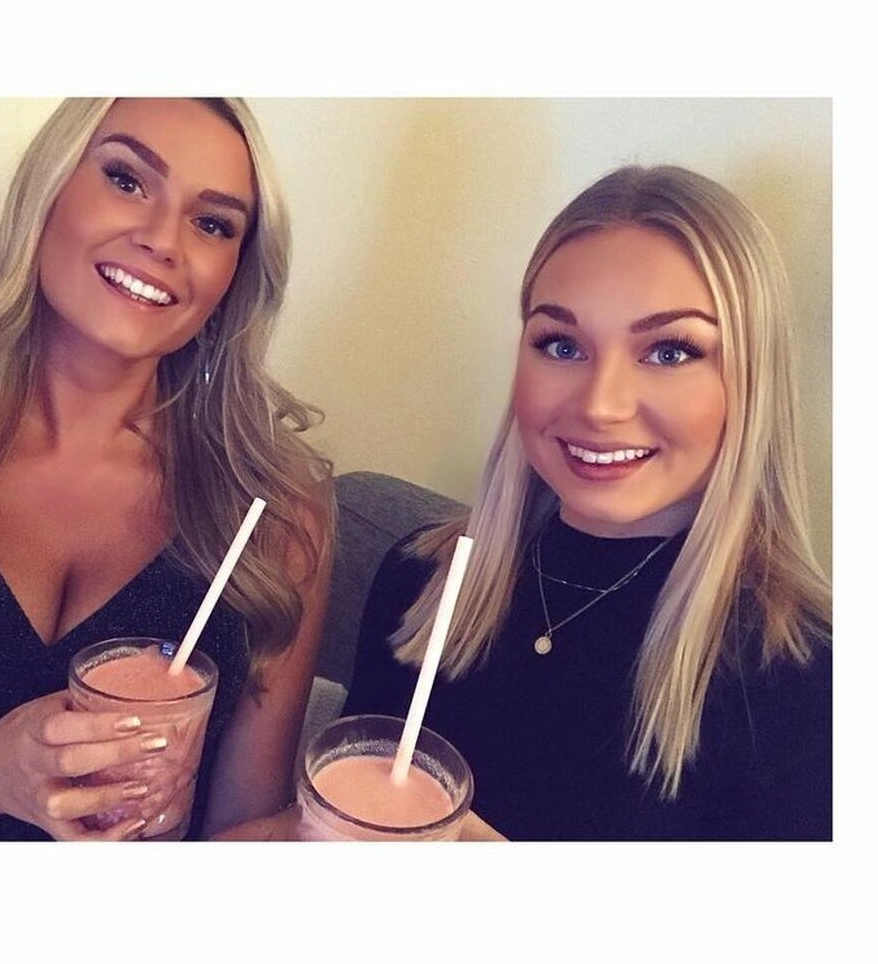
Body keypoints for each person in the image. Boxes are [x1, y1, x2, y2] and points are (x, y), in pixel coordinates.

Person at [0, 98, 333, 841]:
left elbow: (242, 829)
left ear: (235, 276)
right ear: (49, 191)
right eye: (127, 180)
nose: (162, 240)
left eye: (212, 224)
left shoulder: (275, 512)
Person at [342, 164, 831, 840]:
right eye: (562, 344)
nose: (601, 405)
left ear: (752, 382)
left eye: (669, 352)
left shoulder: (813, 684)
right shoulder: (419, 581)